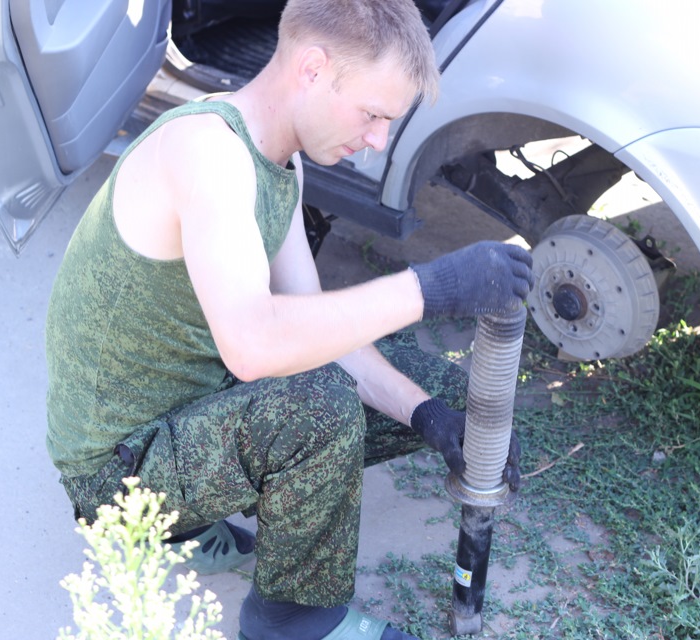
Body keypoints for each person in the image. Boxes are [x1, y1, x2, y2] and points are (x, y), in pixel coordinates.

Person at [44, 1, 530, 638]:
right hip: (115, 473)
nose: (379, 139)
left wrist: (430, 414)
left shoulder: (281, 163)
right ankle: (290, 621)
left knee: (413, 382)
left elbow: (311, 328)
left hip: (183, 413)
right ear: (312, 68)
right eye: (374, 114)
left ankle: (193, 526)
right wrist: (427, 287)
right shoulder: (208, 153)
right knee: (318, 408)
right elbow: (254, 344)